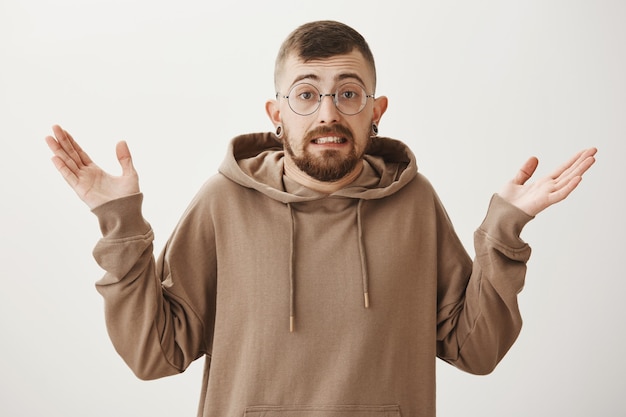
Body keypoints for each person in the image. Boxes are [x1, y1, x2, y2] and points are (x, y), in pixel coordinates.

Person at [45, 20, 596, 417]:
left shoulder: (415, 204)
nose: (328, 112)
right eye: (306, 94)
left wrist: (504, 230)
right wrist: (118, 221)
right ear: (277, 114)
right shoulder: (223, 202)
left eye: (348, 94)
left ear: (376, 112)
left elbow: (475, 351)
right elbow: (154, 354)